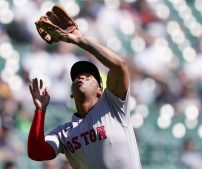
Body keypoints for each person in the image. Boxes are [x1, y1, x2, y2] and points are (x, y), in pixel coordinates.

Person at [27, 24, 142, 169]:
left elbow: (119, 65)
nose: (81, 77)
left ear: (100, 90)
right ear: (71, 93)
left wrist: (80, 41)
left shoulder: (112, 106)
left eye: (89, 76)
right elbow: (36, 153)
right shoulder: (64, 133)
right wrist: (40, 112)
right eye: (77, 77)